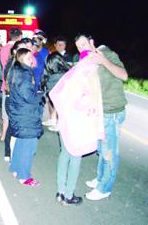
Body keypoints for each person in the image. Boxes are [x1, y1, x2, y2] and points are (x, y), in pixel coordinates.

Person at [74, 34, 128, 201]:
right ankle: (100, 178)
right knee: (101, 149)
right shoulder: (87, 61)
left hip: (111, 111)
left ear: (92, 42)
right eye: (79, 47)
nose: (82, 48)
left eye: (84, 44)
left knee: (109, 151)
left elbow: (124, 75)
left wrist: (103, 61)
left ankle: (105, 188)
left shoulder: (107, 54)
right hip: (99, 112)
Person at [48, 50, 105, 206]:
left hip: (65, 122)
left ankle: (60, 191)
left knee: (64, 154)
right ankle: (68, 194)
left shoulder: (71, 76)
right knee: (75, 158)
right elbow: (84, 103)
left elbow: (57, 95)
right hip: (79, 127)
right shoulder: (89, 77)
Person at [8, 48, 44, 187]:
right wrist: (41, 96)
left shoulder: (17, 70)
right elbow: (28, 96)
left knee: (21, 142)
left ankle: (16, 168)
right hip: (26, 114)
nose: (32, 60)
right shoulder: (24, 73)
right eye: (29, 58)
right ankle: (24, 176)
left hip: (20, 112)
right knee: (29, 146)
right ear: (22, 59)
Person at [0, 29, 23, 145]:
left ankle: (3, 135)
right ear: (19, 36)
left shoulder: (3, 49)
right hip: (16, 86)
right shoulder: (21, 50)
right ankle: (14, 137)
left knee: (5, 112)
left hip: (5, 84)